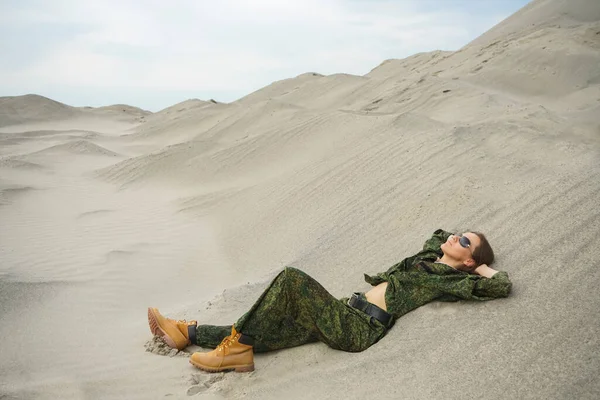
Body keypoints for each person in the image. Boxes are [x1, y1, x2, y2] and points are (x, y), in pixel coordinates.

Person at [147, 229, 512, 373]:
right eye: (459, 234)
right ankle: (187, 332)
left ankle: (235, 351)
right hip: (343, 312)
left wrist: (479, 269)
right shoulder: (427, 260)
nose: (454, 237)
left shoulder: (450, 279)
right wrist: (455, 245)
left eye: (465, 242)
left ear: (470, 260)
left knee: (292, 278)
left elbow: (500, 287)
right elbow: (436, 237)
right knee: (268, 326)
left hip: (358, 329)